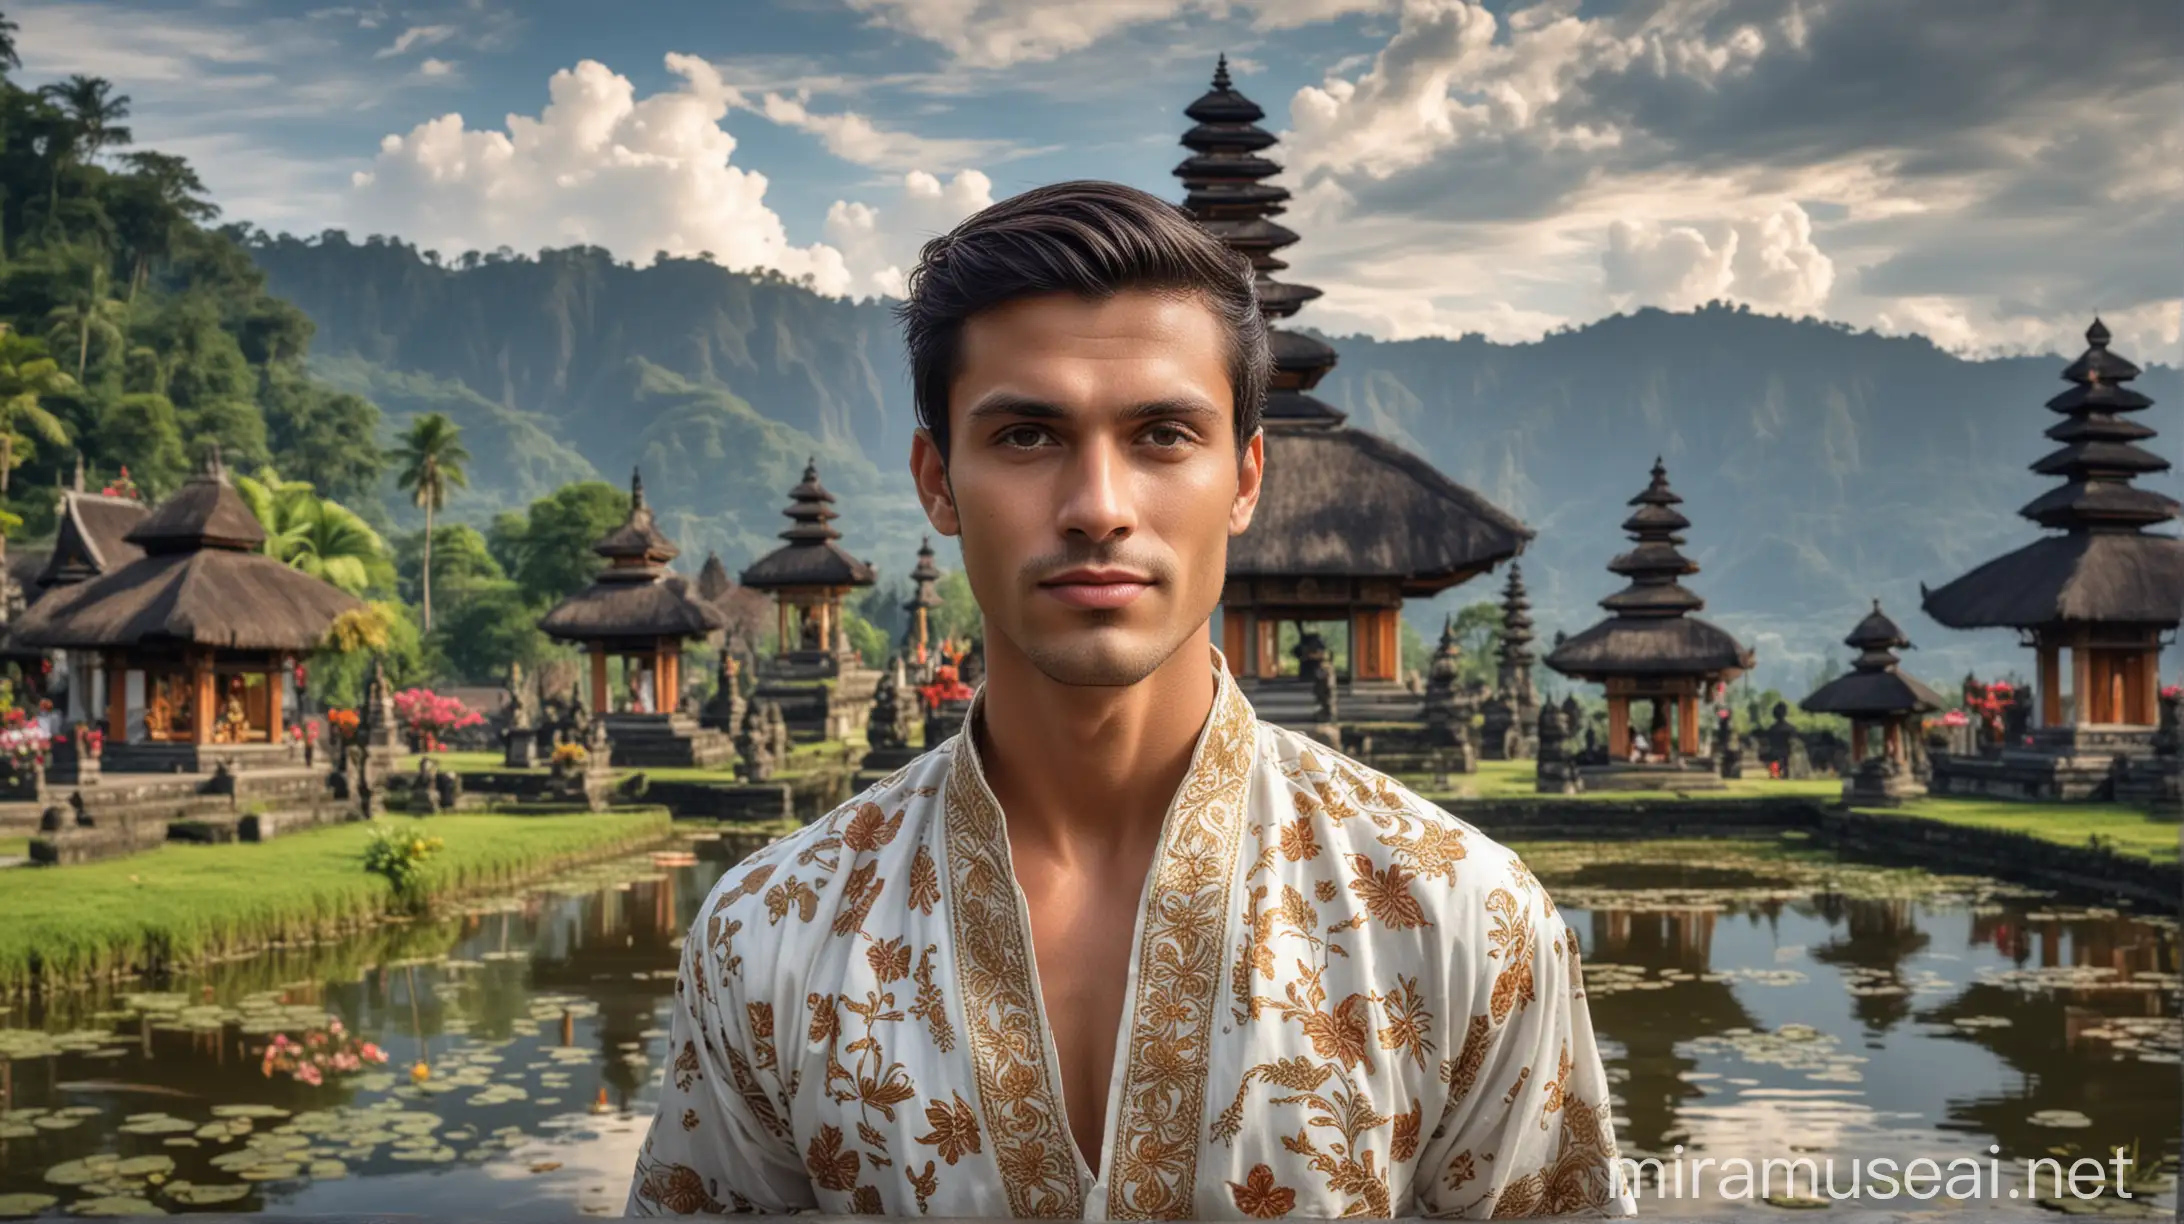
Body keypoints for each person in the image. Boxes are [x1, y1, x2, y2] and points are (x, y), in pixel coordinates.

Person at [626, 181, 1634, 1218]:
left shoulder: (1459, 916)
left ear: (1246, 478)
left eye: (1162, 435)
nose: (1097, 508)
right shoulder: (773, 936)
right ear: (937, 480)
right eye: (1026, 436)